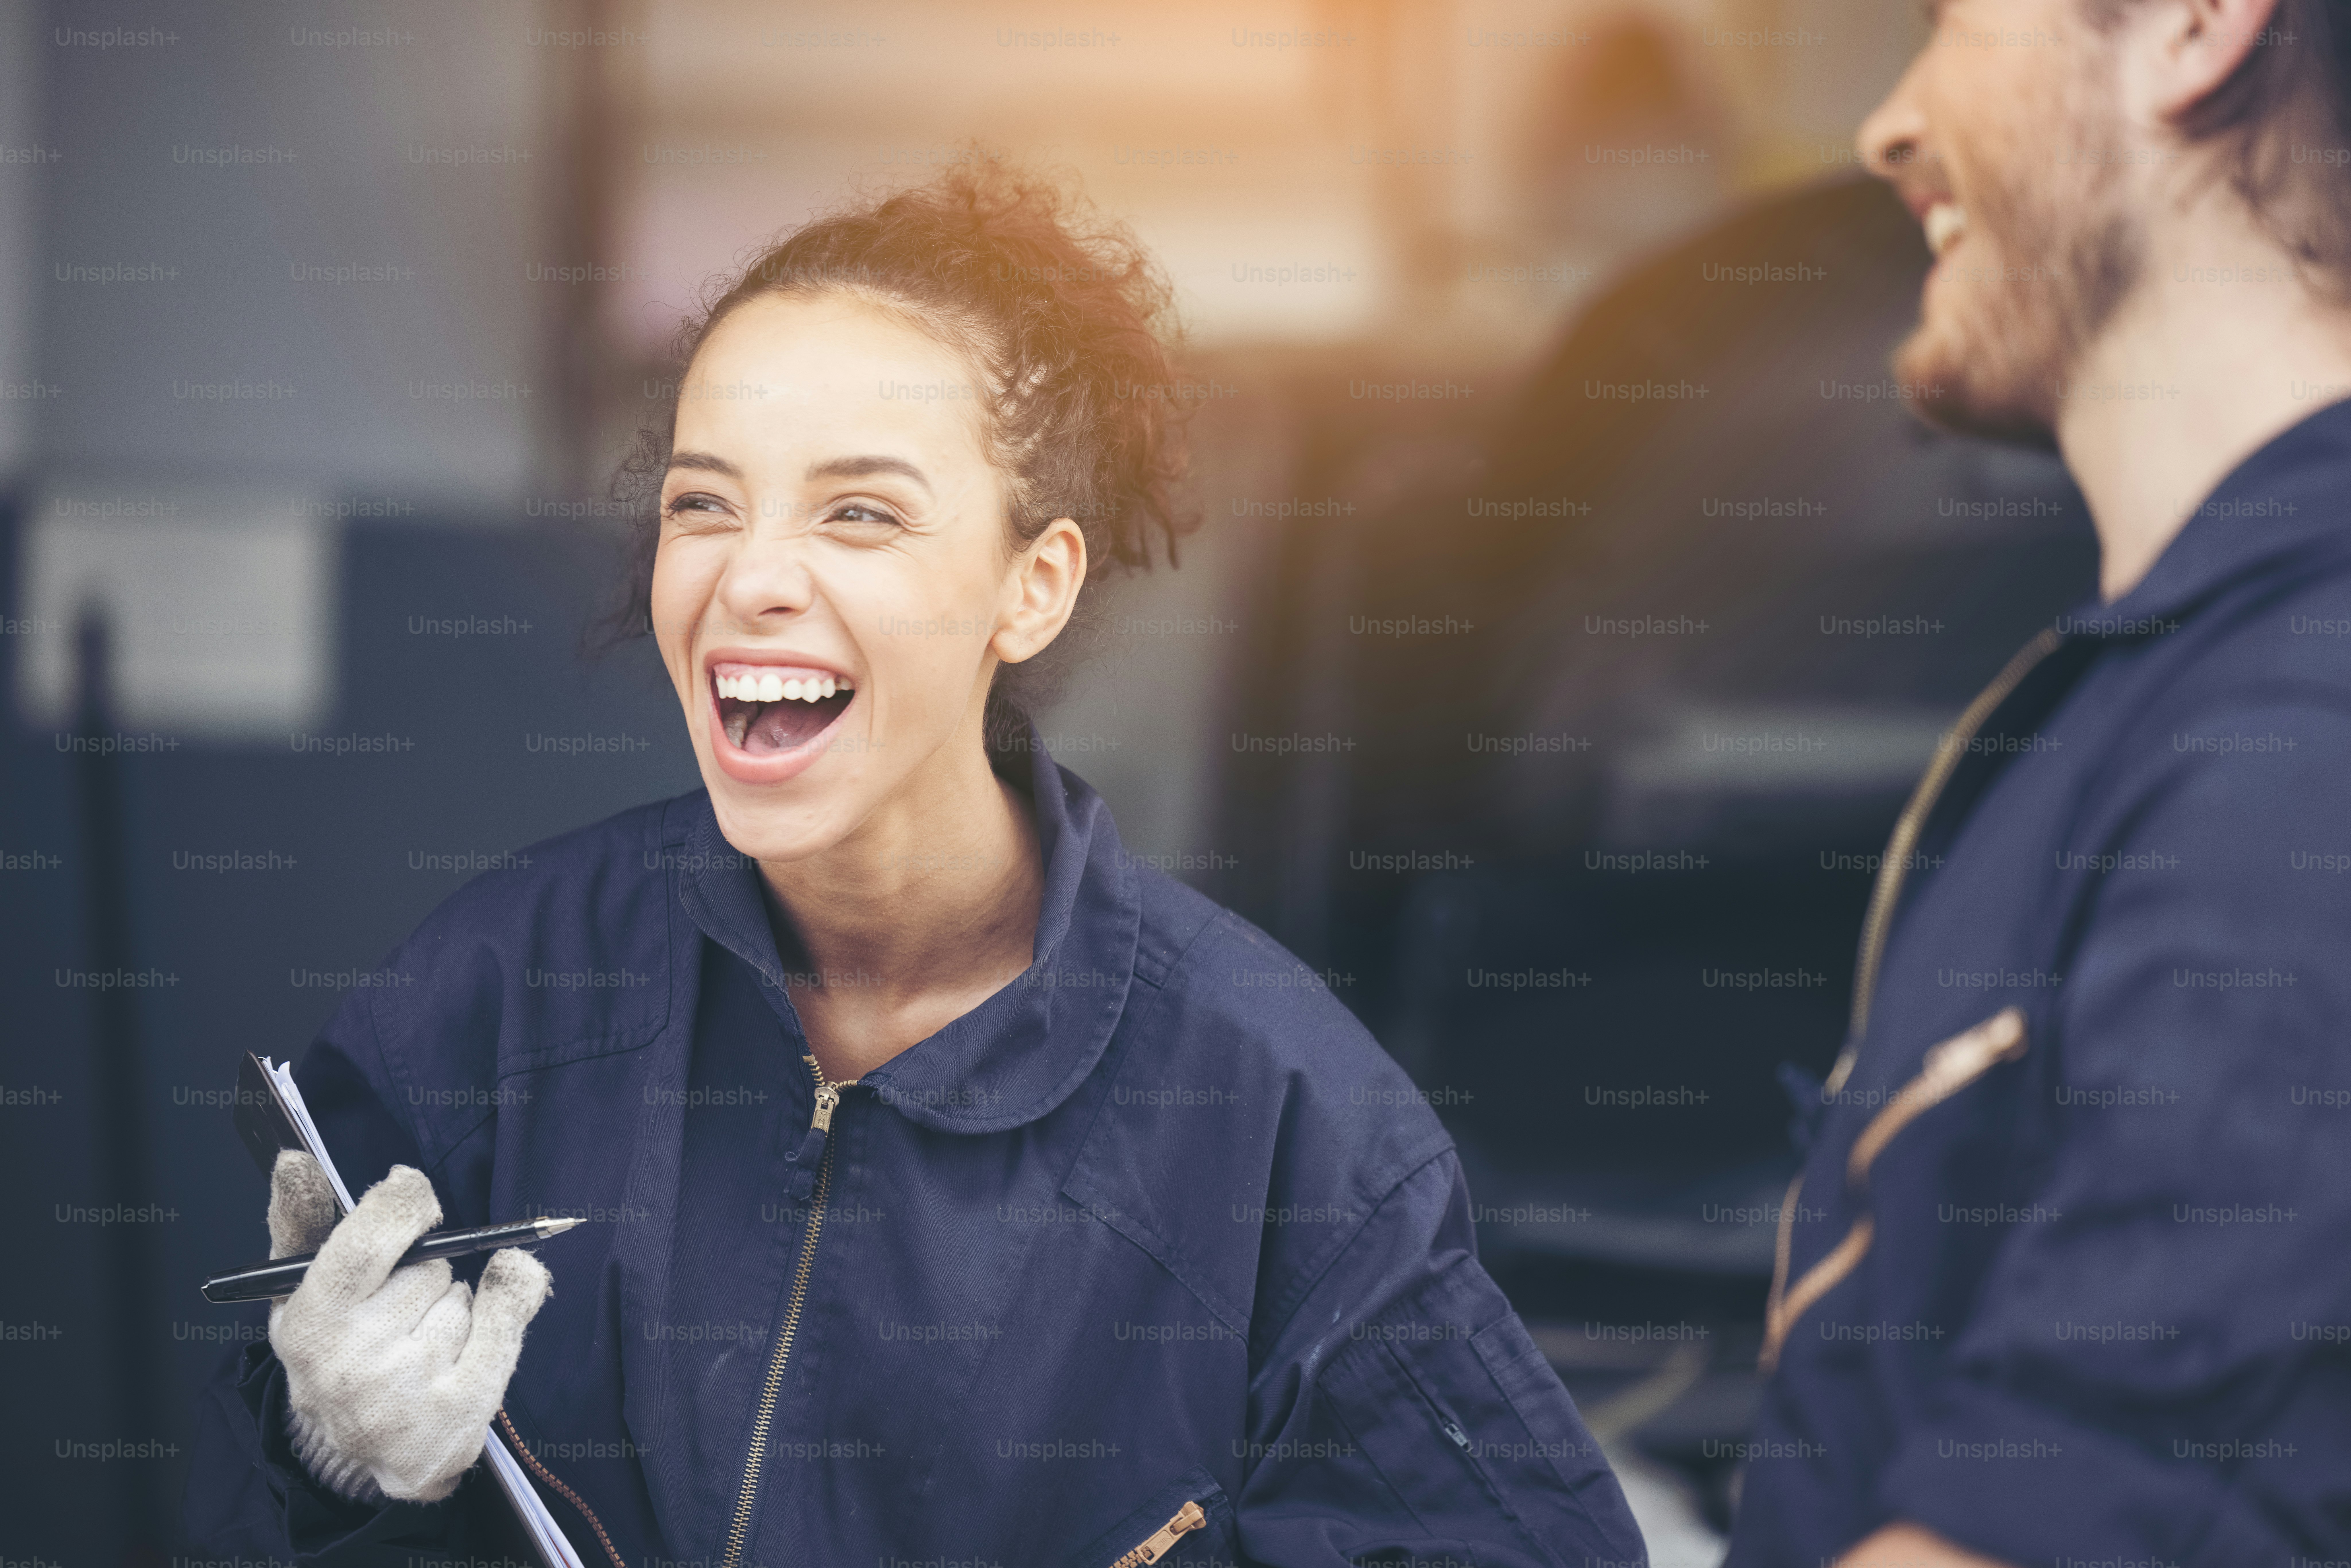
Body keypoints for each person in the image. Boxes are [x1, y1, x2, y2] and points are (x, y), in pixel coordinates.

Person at [182, 166, 1645, 1568]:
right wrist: (333, 1457)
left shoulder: (1283, 1118)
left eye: (859, 510)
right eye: (704, 501)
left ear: (1035, 585)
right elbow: (236, 1517)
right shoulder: (496, 989)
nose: (748, 575)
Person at [1729, 0, 2351, 1563]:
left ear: (2199, 25)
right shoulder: (2177, 687)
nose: (1889, 124)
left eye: (1952, 21)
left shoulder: (2306, 709)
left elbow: (2107, 1493)